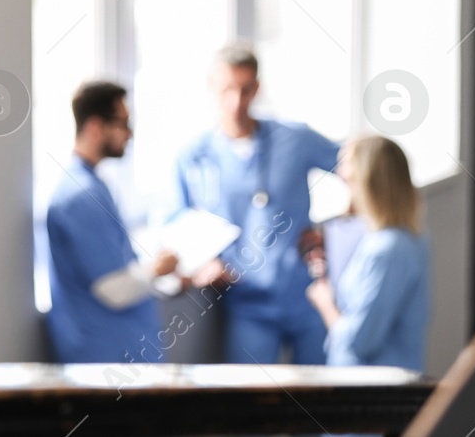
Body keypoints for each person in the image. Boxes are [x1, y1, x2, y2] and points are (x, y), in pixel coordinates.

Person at [171, 43, 340, 364]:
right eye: (227, 90)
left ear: (257, 88)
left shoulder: (295, 139)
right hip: (247, 303)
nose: (236, 102)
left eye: (246, 90)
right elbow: (172, 220)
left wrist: (340, 229)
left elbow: (360, 168)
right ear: (212, 89)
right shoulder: (194, 155)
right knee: (251, 400)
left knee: (324, 400)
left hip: (305, 295)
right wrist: (198, 265)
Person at [46, 80, 180, 363]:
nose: (129, 134)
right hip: (107, 358)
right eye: (123, 123)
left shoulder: (92, 185)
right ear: (95, 127)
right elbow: (114, 289)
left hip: (120, 351)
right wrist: (158, 268)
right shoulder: (80, 197)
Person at [307, 135, 430, 371]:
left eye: (346, 170)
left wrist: (325, 303)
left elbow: (360, 341)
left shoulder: (387, 250)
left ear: (365, 180)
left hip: (370, 390)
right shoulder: (410, 238)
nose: (341, 175)